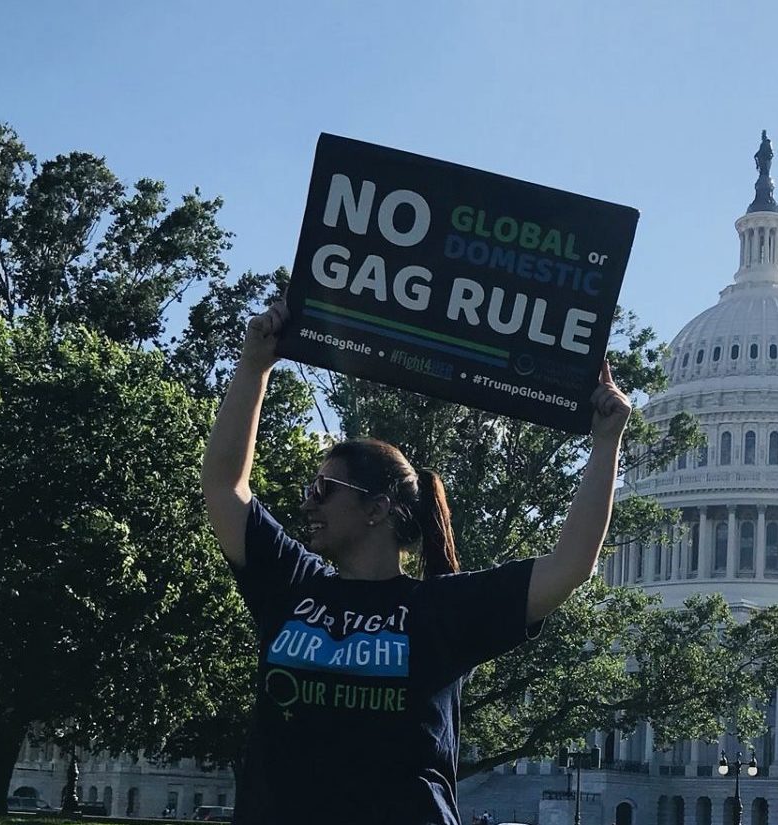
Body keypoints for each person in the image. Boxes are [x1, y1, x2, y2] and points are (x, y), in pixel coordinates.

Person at [201, 300, 629, 824]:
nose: (307, 502)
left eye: (323, 489)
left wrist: (606, 442)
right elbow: (225, 486)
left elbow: (570, 566)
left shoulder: (439, 610)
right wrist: (254, 365)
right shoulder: (289, 585)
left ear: (377, 509)